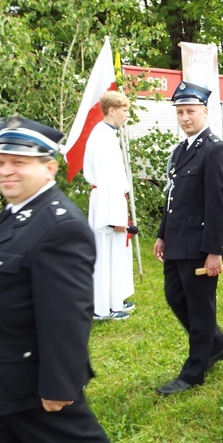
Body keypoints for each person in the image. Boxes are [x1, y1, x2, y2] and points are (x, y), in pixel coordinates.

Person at [0, 117, 110, 442]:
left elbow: (67, 314)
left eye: (18, 162)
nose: (4, 170)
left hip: (31, 387)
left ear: (49, 168)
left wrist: (59, 385)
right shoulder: (16, 213)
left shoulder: (59, 227)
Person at [153, 81, 223, 396]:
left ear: (205, 112)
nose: (185, 117)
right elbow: (174, 198)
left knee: (200, 309)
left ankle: (194, 371)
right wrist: (162, 235)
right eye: (180, 112)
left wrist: (215, 251)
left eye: (191, 111)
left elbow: (219, 203)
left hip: (199, 246)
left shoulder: (214, 149)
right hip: (176, 242)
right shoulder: (183, 149)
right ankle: (214, 344)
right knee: (175, 297)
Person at [84, 90, 135, 320]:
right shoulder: (102, 136)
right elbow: (107, 180)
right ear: (111, 110)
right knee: (105, 256)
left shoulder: (107, 134)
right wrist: (115, 218)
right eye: (124, 110)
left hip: (110, 201)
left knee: (114, 254)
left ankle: (114, 300)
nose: (127, 114)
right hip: (107, 203)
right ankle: (104, 308)